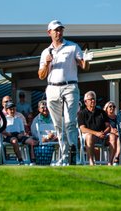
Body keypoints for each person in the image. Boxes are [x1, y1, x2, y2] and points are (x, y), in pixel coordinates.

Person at [38, 19, 93, 165]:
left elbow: (84, 66)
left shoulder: (73, 47)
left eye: (60, 29)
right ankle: (64, 155)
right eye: (56, 30)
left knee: (70, 122)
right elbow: (41, 75)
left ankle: (73, 153)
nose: (59, 32)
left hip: (70, 87)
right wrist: (48, 62)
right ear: (49, 32)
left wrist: (86, 60)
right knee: (58, 125)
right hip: (52, 88)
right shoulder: (45, 52)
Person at [78, 91, 115, 166]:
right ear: (85, 102)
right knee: (89, 136)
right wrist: (96, 133)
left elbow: (108, 126)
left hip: (103, 135)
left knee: (113, 136)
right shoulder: (82, 113)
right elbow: (83, 129)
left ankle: (110, 162)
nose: (93, 101)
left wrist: (103, 133)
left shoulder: (102, 112)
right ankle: (92, 162)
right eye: (91, 99)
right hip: (90, 136)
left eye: (94, 99)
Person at [2, 101, 38, 165]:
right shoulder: (4, 119)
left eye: (14, 109)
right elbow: (1, 130)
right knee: (14, 141)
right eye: (11, 109)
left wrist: (21, 134)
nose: (12, 111)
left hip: (18, 135)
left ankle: (33, 160)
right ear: (7, 110)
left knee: (32, 141)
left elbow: (22, 130)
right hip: (9, 136)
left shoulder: (19, 119)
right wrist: (8, 133)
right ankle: (20, 160)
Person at [103, 101, 120, 165]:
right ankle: (110, 162)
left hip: (117, 136)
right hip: (107, 136)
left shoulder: (118, 117)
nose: (112, 108)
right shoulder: (104, 117)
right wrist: (112, 131)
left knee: (120, 138)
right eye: (110, 106)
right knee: (113, 136)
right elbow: (104, 127)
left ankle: (116, 158)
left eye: (114, 106)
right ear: (106, 108)